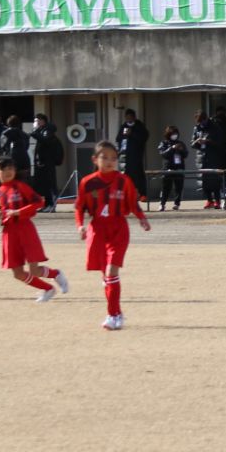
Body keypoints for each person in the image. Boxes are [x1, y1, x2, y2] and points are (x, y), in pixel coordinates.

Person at [76, 142, 151, 331]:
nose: (110, 161)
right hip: (97, 230)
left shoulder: (123, 180)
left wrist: (142, 218)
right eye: (105, 157)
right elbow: (79, 207)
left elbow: (132, 202)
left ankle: (112, 315)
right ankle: (117, 313)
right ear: (95, 159)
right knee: (106, 276)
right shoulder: (87, 182)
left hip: (118, 228)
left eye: (114, 158)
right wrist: (80, 226)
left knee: (111, 272)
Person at [0, 156, 69, 302]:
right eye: (3, 169)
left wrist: (19, 212)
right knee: (17, 273)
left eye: (10, 168)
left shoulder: (20, 186)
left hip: (25, 229)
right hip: (9, 233)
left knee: (34, 270)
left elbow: (39, 202)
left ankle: (56, 274)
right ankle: (48, 289)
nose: (7, 171)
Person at [116, 109, 150, 206]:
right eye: (127, 117)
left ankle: (142, 194)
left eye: (130, 117)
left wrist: (132, 134)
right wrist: (123, 134)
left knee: (138, 175)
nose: (128, 119)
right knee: (125, 176)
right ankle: (126, 196)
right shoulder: (123, 126)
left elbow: (144, 137)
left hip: (136, 156)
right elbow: (118, 138)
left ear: (134, 117)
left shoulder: (139, 126)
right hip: (125, 156)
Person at [30, 113, 65, 210]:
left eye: (37, 120)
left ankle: (52, 205)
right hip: (42, 162)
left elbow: (45, 141)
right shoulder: (41, 130)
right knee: (44, 185)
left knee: (50, 184)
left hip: (48, 161)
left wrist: (35, 132)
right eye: (35, 121)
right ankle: (47, 204)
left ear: (43, 120)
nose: (36, 123)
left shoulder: (48, 130)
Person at [156, 126, 188, 211]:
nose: (175, 135)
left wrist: (181, 150)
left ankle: (177, 203)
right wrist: (172, 148)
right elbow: (163, 154)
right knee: (166, 187)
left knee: (179, 187)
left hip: (179, 167)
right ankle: (162, 203)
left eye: (176, 134)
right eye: (173, 134)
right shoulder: (164, 143)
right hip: (168, 167)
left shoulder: (180, 143)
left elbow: (186, 154)